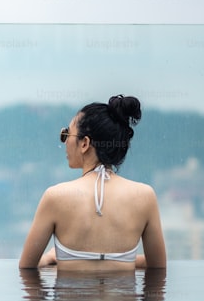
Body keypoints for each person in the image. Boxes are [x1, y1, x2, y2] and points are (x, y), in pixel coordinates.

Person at [18, 95, 166, 271]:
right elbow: (158, 269)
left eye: (66, 134)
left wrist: (50, 257)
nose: (65, 142)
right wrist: (119, 261)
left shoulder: (55, 197)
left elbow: (27, 267)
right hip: (123, 298)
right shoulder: (145, 196)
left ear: (84, 143)